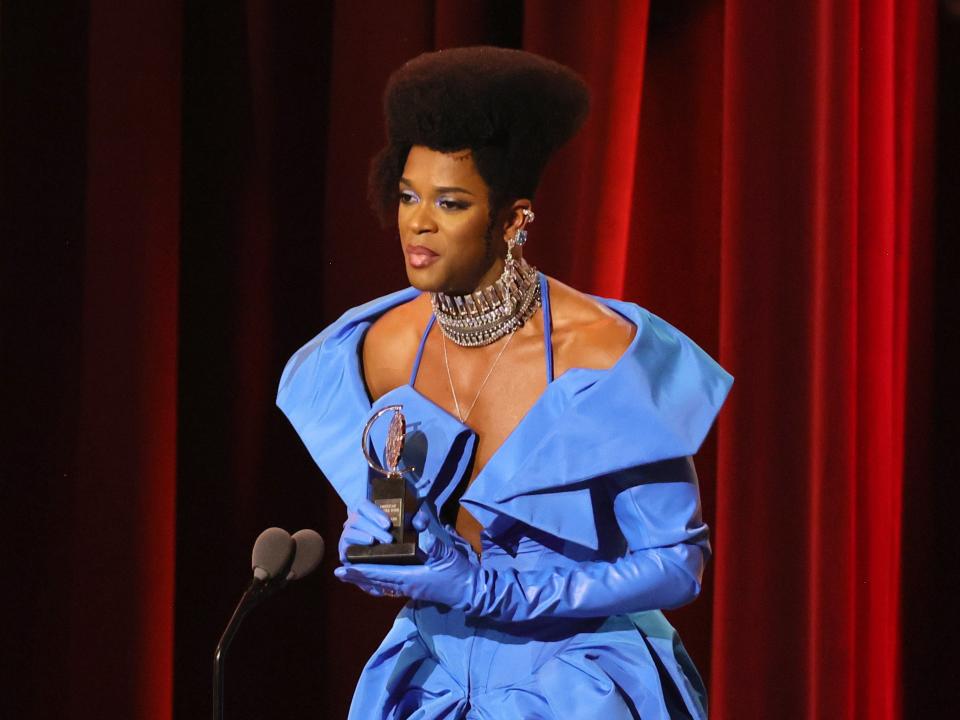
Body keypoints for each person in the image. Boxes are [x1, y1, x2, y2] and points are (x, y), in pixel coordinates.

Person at [277, 46, 733, 720]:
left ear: (513, 220)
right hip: (429, 681)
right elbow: (395, 513)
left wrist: (496, 592)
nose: (418, 222)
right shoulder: (375, 349)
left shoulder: (605, 355)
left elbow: (676, 565)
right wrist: (383, 538)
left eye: (450, 203)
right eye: (408, 195)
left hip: (581, 683)